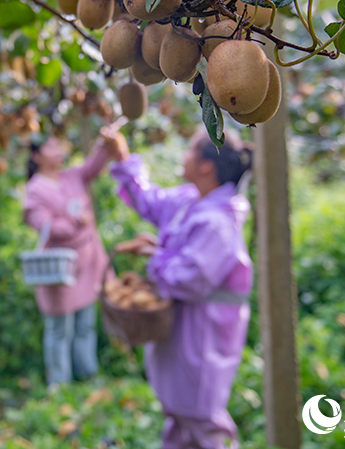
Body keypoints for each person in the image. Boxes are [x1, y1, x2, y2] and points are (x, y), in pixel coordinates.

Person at [107, 129, 254, 449]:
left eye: (190, 151)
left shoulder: (218, 222)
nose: (183, 157)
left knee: (202, 419)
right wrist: (122, 157)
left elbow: (189, 278)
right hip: (182, 333)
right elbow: (151, 201)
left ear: (205, 166)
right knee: (180, 417)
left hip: (203, 335)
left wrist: (155, 255)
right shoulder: (191, 201)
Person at [23, 130, 122, 386]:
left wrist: (106, 143)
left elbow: (94, 166)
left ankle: (87, 374)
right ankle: (59, 384)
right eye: (50, 147)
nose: (58, 150)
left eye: (58, 144)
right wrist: (75, 222)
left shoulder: (72, 176)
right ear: (37, 156)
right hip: (61, 266)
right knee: (59, 328)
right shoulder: (35, 190)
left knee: (85, 322)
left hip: (88, 261)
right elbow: (43, 224)